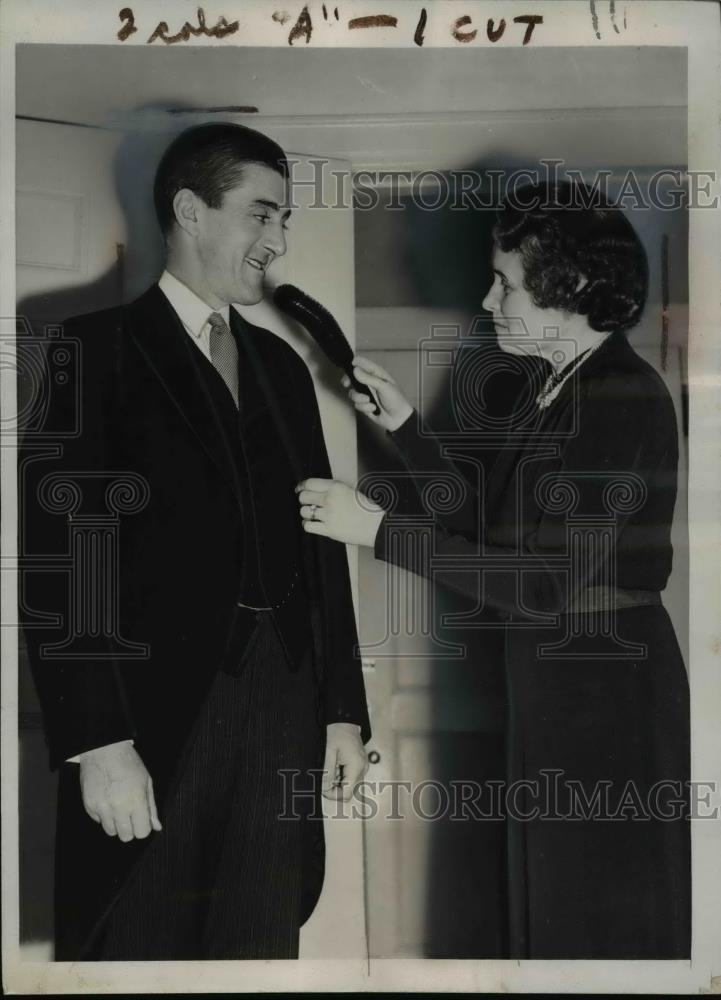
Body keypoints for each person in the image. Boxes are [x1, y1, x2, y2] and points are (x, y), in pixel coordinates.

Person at [296, 181, 690, 959]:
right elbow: (491, 531)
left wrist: (376, 531)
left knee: (592, 929)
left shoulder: (616, 395)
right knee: (550, 920)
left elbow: (542, 584)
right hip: (561, 681)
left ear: (571, 287)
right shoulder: (559, 387)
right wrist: (405, 426)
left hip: (602, 694)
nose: (488, 298)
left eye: (504, 280)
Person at [21, 122, 370, 961]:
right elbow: (65, 562)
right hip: (153, 723)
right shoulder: (87, 352)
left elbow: (321, 545)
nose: (278, 240)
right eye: (262, 214)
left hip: (284, 706)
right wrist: (97, 743)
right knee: (135, 949)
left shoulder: (285, 371)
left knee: (258, 950)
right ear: (191, 210)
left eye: (283, 220)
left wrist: (341, 713)